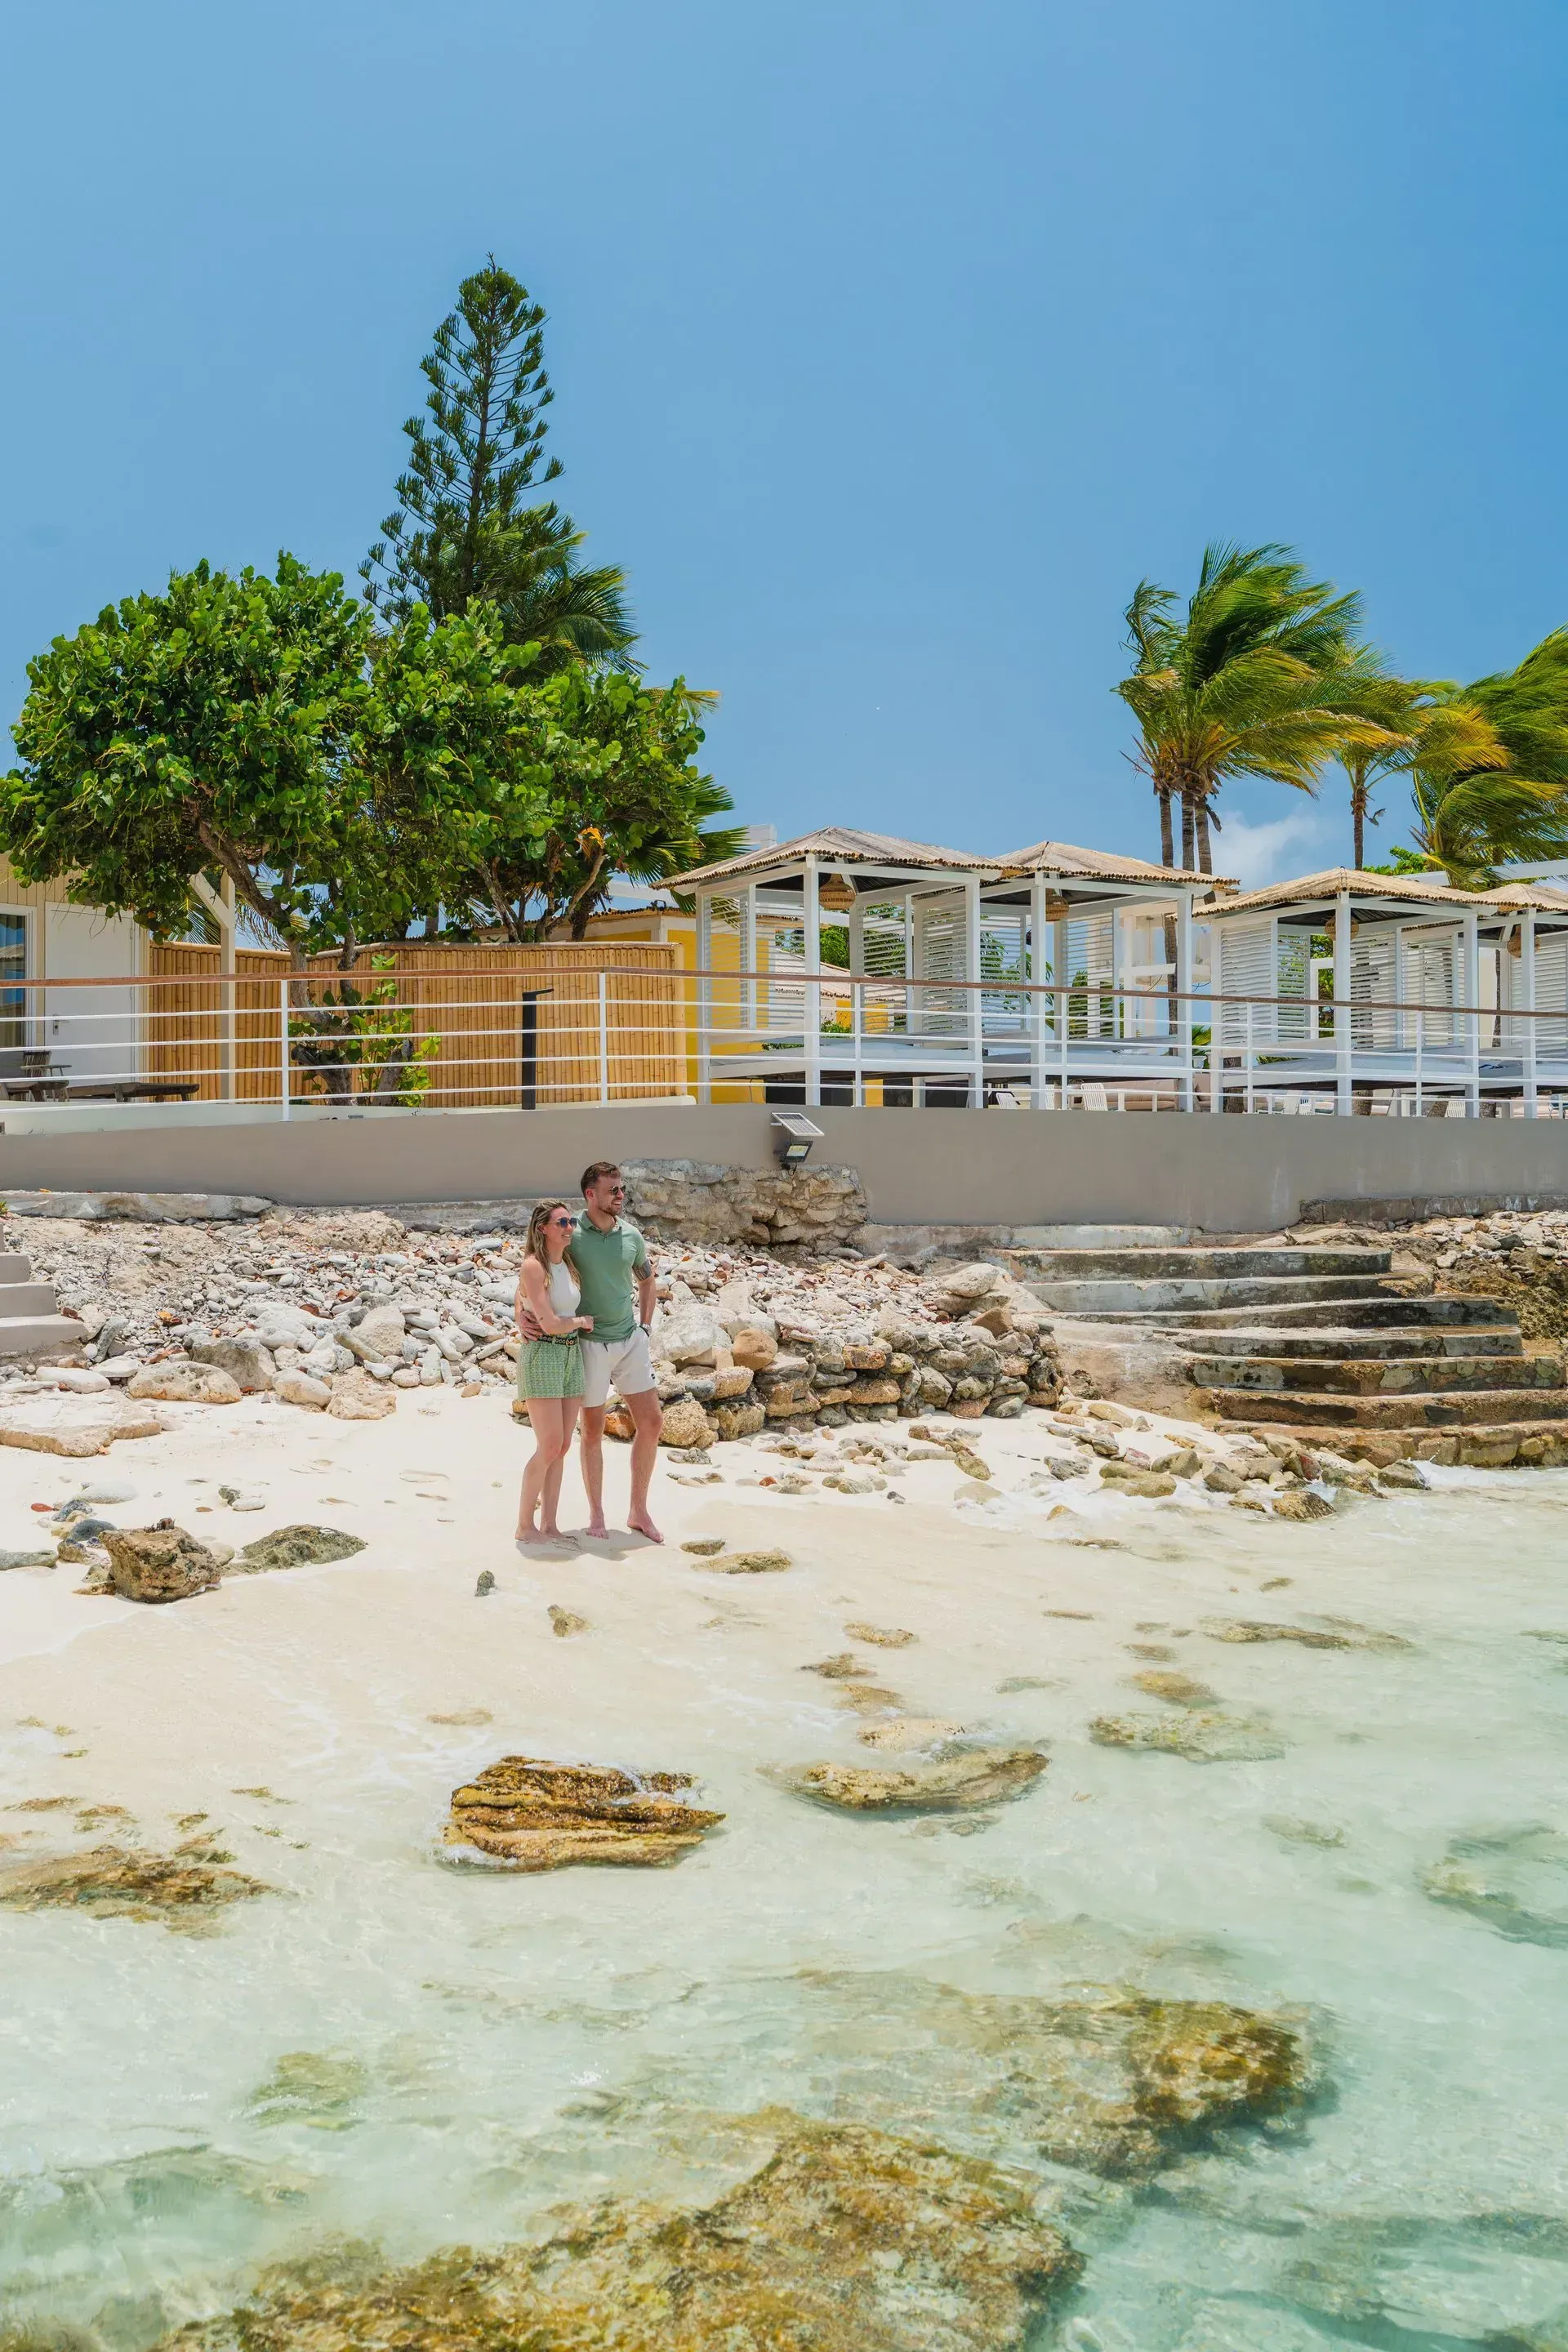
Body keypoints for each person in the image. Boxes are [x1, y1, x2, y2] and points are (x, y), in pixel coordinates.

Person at [518, 1161, 663, 1544]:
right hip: (588, 1345)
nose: (620, 1195)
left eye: (621, 1189)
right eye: (612, 1189)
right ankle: (596, 1514)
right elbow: (534, 1276)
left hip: (631, 1340)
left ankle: (638, 1510)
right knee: (592, 1432)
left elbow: (648, 1280)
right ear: (591, 1195)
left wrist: (646, 1327)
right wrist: (521, 1313)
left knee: (652, 1424)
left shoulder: (632, 1236)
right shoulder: (571, 1234)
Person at [513, 1200, 594, 1550]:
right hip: (544, 1353)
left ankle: (550, 1523)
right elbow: (546, 1322)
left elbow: (523, 1299)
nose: (568, 1227)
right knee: (547, 1445)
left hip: (570, 1354)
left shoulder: (568, 1264)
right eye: (561, 1222)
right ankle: (523, 1525)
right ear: (542, 1228)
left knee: (561, 1446)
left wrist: (519, 1309)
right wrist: (579, 1322)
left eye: (571, 1221)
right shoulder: (534, 1265)